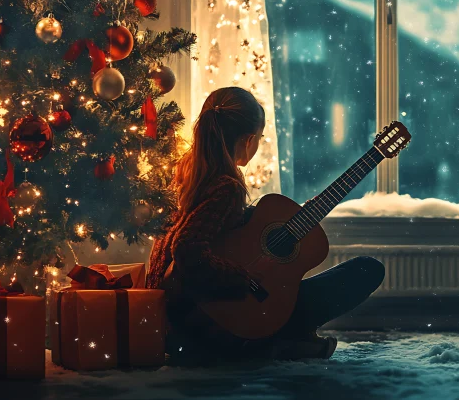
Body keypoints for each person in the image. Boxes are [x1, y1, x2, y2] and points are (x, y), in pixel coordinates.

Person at [146, 87, 385, 363]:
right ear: (248, 140)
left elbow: (209, 237)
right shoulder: (226, 187)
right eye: (258, 138)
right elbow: (186, 248)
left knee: (285, 288)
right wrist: (244, 279)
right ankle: (273, 343)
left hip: (177, 325)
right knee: (366, 269)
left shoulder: (187, 171)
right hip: (212, 325)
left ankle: (271, 342)